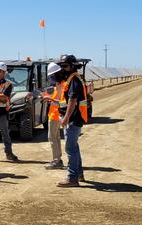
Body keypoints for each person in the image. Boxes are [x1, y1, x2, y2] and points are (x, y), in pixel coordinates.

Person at [55, 55, 88, 187]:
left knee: (70, 148)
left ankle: (72, 178)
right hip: (74, 118)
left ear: (73, 66)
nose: (63, 68)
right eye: (61, 66)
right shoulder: (70, 79)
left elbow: (72, 100)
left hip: (73, 119)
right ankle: (79, 173)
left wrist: (66, 118)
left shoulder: (74, 80)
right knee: (74, 147)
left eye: (65, 66)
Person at [42, 62, 66, 169]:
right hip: (54, 114)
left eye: (52, 76)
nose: (51, 78)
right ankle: (58, 159)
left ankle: (57, 160)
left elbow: (62, 103)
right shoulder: (59, 85)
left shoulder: (62, 85)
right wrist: (47, 96)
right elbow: (57, 99)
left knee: (52, 137)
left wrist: (49, 99)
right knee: (55, 137)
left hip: (56, 115)